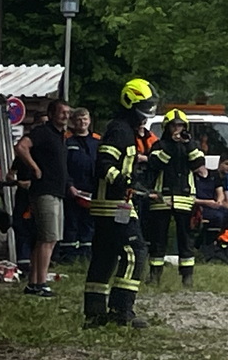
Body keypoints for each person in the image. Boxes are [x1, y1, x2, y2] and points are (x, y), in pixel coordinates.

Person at [83, 79, 156, 328]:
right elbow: (104, 164)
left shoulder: (123, 128)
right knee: (135, 252)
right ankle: (121, 311)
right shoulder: (120, 131)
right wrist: (123, 182)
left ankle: (94, 313)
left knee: (104, 257)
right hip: (113, 204)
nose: (146, 113)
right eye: (144, 107)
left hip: (110, 203)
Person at [15, 103, 68, 296]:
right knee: (48, 238)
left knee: (45, 239)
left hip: (57, 191)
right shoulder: (43, 132)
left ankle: (34, 283)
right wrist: (35, 168)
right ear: (51, 114)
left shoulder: (60, 136)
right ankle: (41, 284)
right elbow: (21, 147)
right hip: (44, 191)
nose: (66, 116)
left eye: (68, 112)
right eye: (62, 112)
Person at [144, 112, 200, 288]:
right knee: (158, 238)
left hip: (184, 197)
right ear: (167, 128)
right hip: (162, 198)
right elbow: (155, 164)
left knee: (186, 239)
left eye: (180, 125)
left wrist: (187, 144)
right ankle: (155, 275)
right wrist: (171, 146)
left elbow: (198, 163)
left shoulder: (191, 145)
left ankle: (187, 277)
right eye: (174, 125)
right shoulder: (159, 145)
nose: (177, 129)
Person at [63, 107, 98, 259]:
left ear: (89, 121)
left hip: (92, 189)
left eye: (85, 119)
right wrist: (70, 185)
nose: (82, 122)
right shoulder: (67, 142)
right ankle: (69, 255)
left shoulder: (97, 142)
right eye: (78, 119)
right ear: (73, 122)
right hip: (73, 189)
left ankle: (86, 255)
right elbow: (64, 167)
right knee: (71, 222)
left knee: (89, 223)